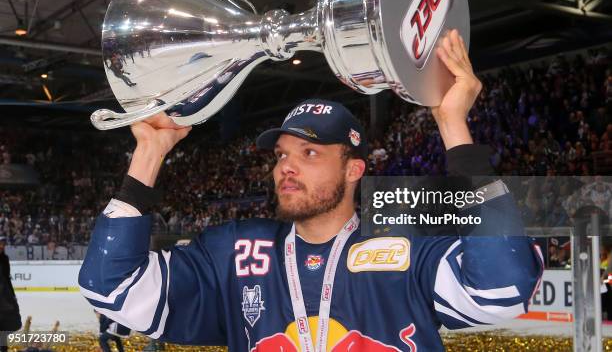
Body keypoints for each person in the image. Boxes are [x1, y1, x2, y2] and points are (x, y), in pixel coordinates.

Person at [79, 30, 543, 350]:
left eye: (311, 153)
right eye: (282, 154)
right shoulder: (235, 252)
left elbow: (503, 287)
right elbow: (112, 290)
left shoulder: (405, 246)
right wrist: (150, 151)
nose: (287, 167)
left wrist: (452, 124)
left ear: (354, 170)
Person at [0, 236, 21, 352]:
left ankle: (3, 348)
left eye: (3, 244)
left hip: (4, 295)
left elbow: (7, 278)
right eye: (0, 243)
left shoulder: (5, 259)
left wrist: (12, 295)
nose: (2, 246)